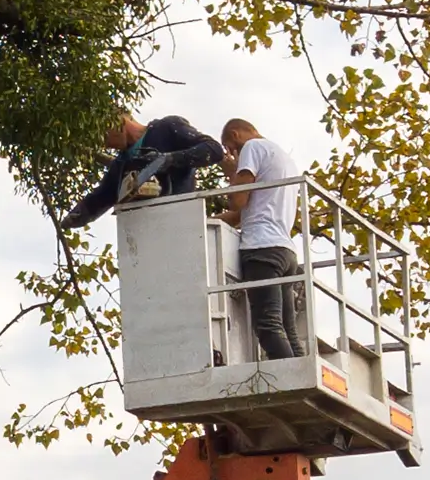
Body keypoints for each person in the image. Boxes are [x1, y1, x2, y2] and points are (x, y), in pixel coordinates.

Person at [221, 118, 307, 361]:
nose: (232, 154)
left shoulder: (252, 148)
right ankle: (300, 374)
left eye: (229, 148)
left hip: (262, 248)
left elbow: (237, 200)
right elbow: (243, 213)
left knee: (268, 328)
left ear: (235, 136)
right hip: (285, 251)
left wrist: (233, 174)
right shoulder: (282, 157)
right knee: (288, 330)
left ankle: (290, 381)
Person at [62, 112, 226, 227]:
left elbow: (213, 149)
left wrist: (170, 159)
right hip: (144, 231)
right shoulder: (120, 165)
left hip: (179, 217)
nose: (105, 144)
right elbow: (101, 197)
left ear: (118, 122)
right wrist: (77, 215)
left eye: (103, 135)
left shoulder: (166, 128)